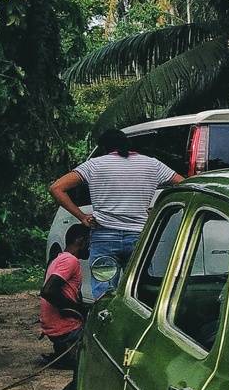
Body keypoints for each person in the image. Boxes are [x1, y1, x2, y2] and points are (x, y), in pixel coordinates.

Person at [49, 128, 184, 298]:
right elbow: (185, 184)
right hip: (139, 238)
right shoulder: (153, 165)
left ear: (104, 148)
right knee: (138, 295)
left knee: (104, 296)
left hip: (104, 237)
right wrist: (158, 209)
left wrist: (82, 217)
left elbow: (56, 188)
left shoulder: (94, 165)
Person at [40, 223, 91, 362]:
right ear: (80, 240)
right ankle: (69, 352)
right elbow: (48, 291)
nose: (91, 247)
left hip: (55, 329)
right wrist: (78, 310)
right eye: (90, 242)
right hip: (65, 329)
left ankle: (64, 353)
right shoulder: (70, 260)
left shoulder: (58, 258)